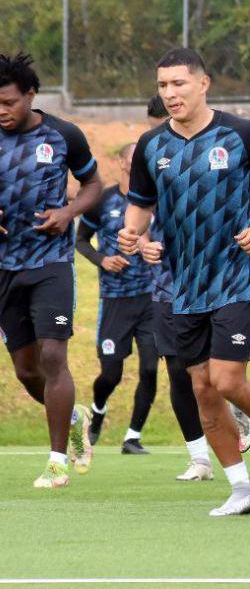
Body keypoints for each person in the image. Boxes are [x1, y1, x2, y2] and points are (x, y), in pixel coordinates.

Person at [119, 47, 250, 516]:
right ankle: (241, 490)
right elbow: (141, 202)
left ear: (203, 83)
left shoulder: (244, 135)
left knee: (228, 379)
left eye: (179, 83)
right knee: (202, 389)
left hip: (239, 274)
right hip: (185, 283)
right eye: (163, 86)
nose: (171, 93)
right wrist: (136, 235)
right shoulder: (152, 146)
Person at [0, 51, 102, 488]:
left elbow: (93, 184)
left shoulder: (63, 135)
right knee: (26, 370)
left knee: (53, 355)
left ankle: (58, 460)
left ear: (30, 96)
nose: (1, 111)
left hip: (50, 262)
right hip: (4, 268)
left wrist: (68, 212)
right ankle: (71, 416)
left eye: (8, 103)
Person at [140, 95, 214, 481]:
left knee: (219, 374)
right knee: (178, 373)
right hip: (167, 288)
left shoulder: (213, 151)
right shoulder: (150, 158)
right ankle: (199, 458)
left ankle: (244, 415)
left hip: (216, 283)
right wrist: (140, 243)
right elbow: (138, 219)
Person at [77, 143, 159, 454]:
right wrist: (102, 260)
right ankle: (97, 413)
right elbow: (81, 241)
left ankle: (132, 437)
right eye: (134, 156)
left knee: (150, 368)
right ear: (122, 162)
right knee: (111, 373)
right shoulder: (104, 200)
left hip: (150, 299)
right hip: (114, 299)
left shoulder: (157, 201)